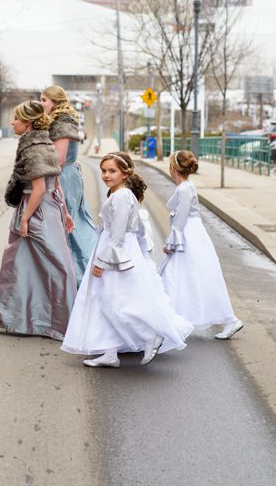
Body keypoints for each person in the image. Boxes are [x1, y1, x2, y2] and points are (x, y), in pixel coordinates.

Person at [61, 152, 192, 368]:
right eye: (103, 170)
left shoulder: (122, 196)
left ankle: (150, 336)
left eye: (111, 171)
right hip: (120, 249)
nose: (105, 175)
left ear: (125, 174)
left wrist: (102, 262)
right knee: (104, 301)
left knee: (116, 302)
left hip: (116, 254)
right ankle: (109, 351)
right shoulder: (121, 194)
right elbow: (137, 227)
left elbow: (119, 234)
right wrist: (141, 247)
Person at [0, 101, 78, 340]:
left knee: (50, 265)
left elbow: (39, 189)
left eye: (15, 119)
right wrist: (65, 212)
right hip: (47, 207)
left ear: (27, 122)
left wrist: (25, 218)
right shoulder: (46, 143)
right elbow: (55, 184)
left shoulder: (33, 147)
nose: (12, 122)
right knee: (24, 264)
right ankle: (17, 317)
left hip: (36, 209)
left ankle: (57, 323)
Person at [160, 151, 243, 339]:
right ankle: (175, 318)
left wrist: (171, 242)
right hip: (191, 232)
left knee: (182, 275)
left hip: (188, 235)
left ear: (173, 168)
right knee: (191, 276)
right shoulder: (185, 186)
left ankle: (227, 319)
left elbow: (180, 218)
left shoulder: (184, 189)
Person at [41, 85, 97, 283]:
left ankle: (79, 276)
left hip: (63, 176)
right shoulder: (57, 121)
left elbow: (60, 158)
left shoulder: (63, 122)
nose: (42, 104)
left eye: (44, 100)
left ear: (55, 101)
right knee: (64, 221)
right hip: (64, 174)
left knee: (69, 221)